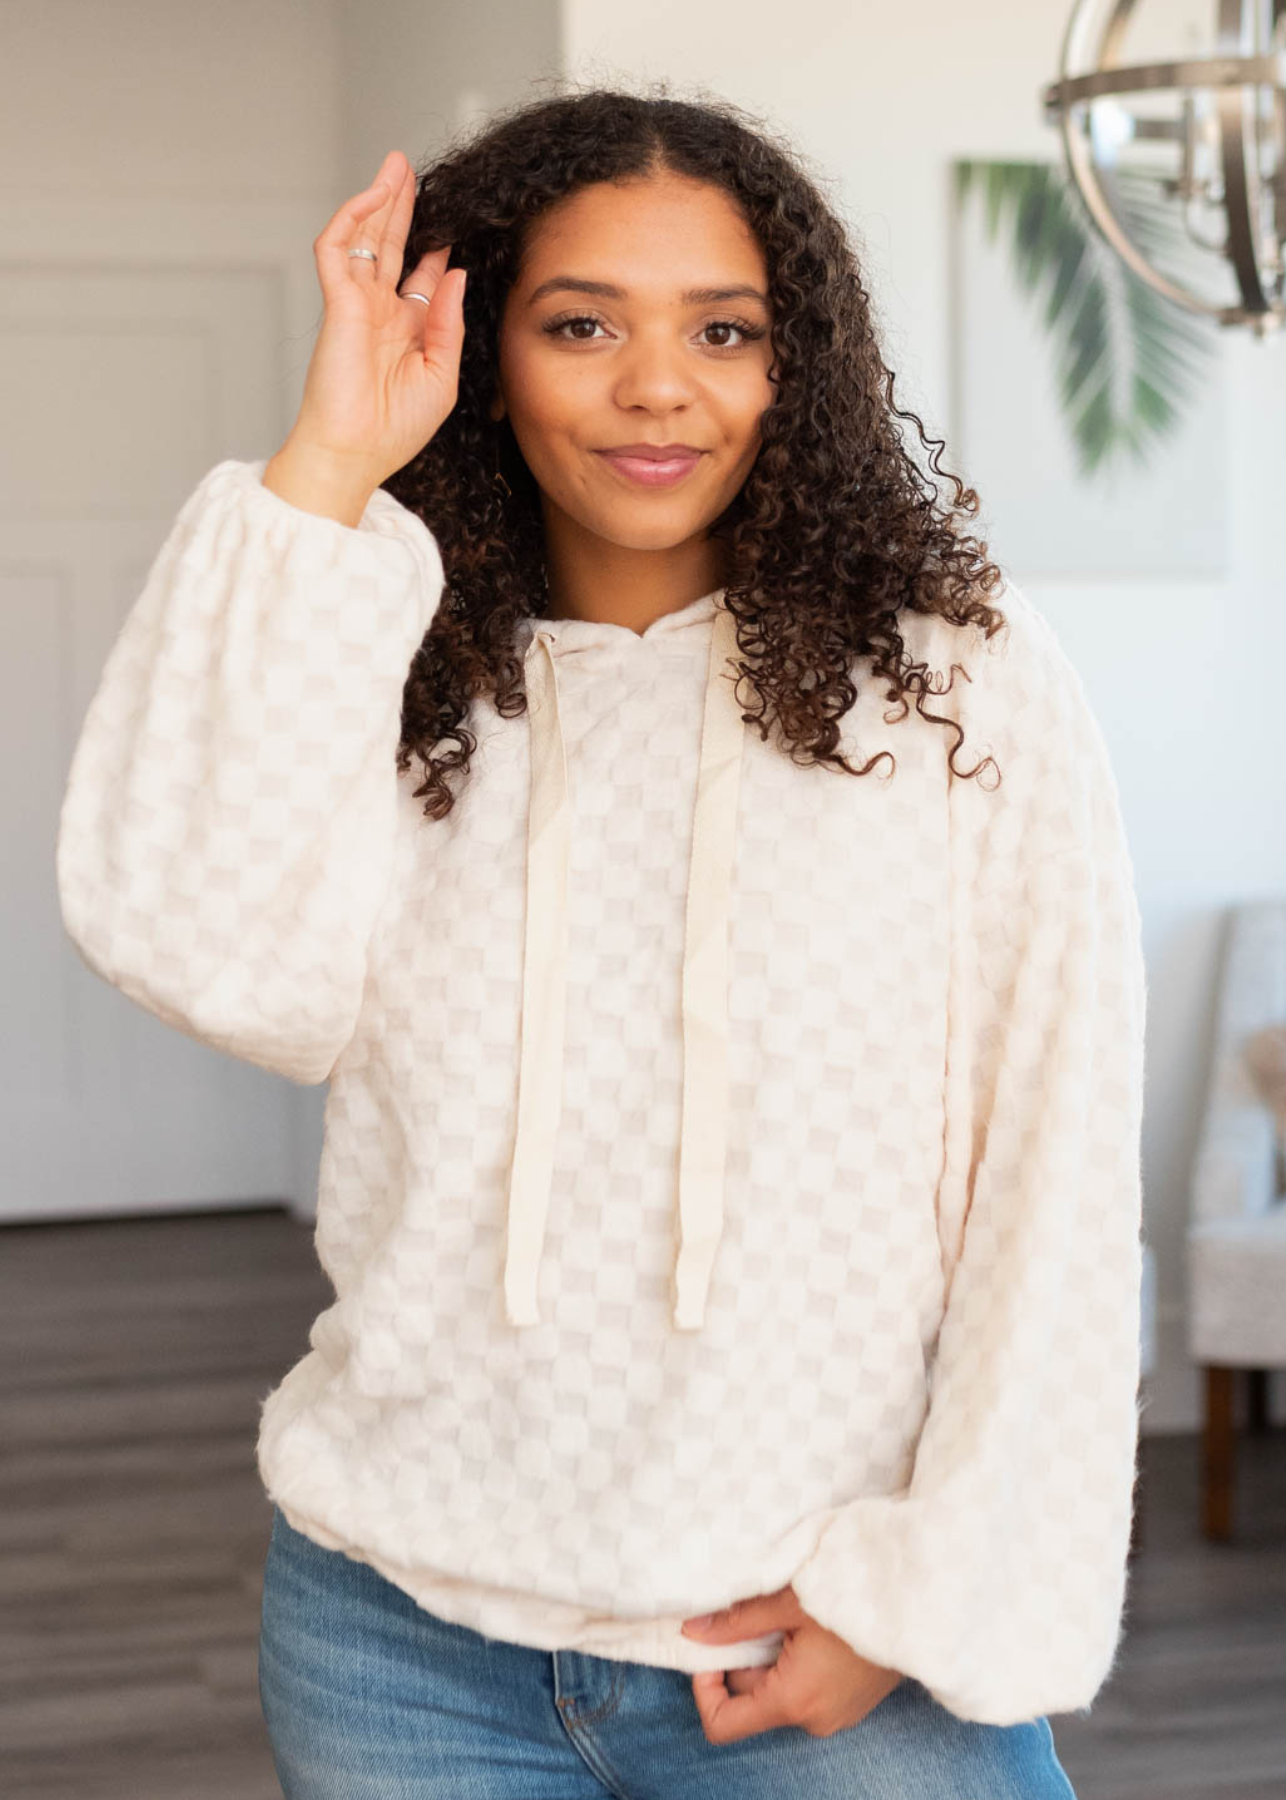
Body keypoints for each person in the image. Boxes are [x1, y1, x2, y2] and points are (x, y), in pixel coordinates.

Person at [55, 82, 1147, 1799]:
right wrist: (329, 464)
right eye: (580, 325)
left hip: (813, 1626)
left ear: (795, 367)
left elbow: (1058, 1168)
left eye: (723, 329)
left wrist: (924, 1592)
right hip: (393, 1642)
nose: (657, 386)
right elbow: (204, 949)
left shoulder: (954, 685)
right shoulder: (392, 673)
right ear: (486, 356)